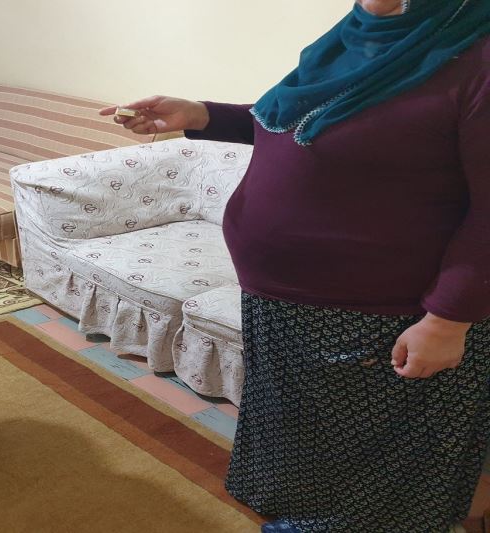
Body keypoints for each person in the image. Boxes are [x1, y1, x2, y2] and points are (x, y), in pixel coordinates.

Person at [103, 0, 490, 531]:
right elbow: (300, 121)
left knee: (375, 451)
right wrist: (202, 115)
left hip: (385, 312)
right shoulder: (359, 32)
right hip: (280, 298)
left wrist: (448, 320)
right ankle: (298, 506)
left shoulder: (476, 56)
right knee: (300, 426)